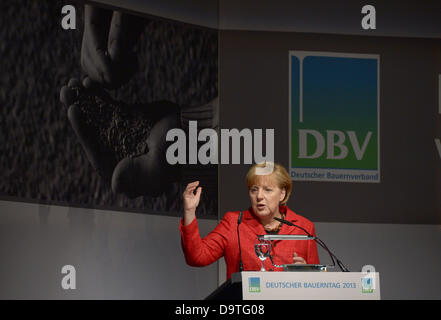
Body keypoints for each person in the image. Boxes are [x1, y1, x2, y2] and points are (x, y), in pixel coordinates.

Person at [180, 162, 320, 280]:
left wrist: (307, 273)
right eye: (254, 190)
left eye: (267, 190)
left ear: (282, 194)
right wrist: (189, 211)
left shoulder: (303, 227)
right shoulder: (234, 223)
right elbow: (197, 257)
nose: (259, 196)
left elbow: (317, 280)